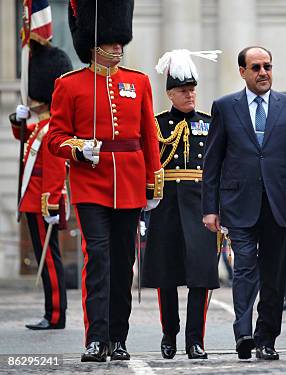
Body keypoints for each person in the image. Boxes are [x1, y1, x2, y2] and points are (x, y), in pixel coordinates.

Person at [47, 0, 163, 362]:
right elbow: (56, 138)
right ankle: (95, 338)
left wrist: (152, 182)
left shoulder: (138, 82)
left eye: (119, 42)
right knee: (97, 258)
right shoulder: (69, 86)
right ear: (94, 43)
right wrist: (79, 149)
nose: (117, 47)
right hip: (91, 184)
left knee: (123, 262)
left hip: (129, 184)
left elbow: (148, 135)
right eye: (111, 42)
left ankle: (118, 337)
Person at [201, 46, 286, 360]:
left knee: (274, 275)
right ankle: (244, 333)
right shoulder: (225, 107)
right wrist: (210, 208)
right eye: (255, 67)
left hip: (278, 204)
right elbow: (212, 162)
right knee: (244, 269)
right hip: (239, 203)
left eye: (267, 66)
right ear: (242, 71)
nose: (263, 72)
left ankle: (267, 339)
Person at [141, 49, 221, 360]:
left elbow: (219, 168)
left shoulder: (209, 123)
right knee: (166, 276)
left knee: (201, 275)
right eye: (183, 91)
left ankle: (194, 340)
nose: (190, 96)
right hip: (166, 205)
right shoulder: (156, 124)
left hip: (201, 206)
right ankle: (169, 334)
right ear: (170, 93)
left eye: (192, 90)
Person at [9, 41, 72, 331]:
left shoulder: (52, 129)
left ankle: (56, 314)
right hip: (33, 202)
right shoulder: (43, 126)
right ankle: (51, 312)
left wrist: (51, 204)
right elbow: (23, 135)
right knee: (46, 260)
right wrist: (17, 119)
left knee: (49, 261)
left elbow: (55, 169)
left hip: (41, 204)